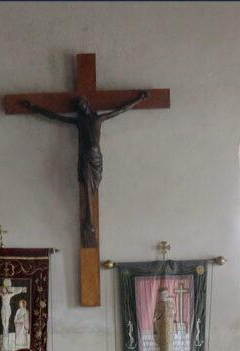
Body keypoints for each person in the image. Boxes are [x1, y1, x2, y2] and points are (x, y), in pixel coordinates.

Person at [21, 91, 149, 242]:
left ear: (87, 105)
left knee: (92, 187)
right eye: (79, 107)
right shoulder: (79, 122)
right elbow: (55, 116)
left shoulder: (99, 118)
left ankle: (89, 222)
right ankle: (89, 223)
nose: (81, 108)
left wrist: (139, 100)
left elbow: (120, 110)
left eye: (83, 105)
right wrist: (34, 107)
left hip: (95, 158)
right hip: (84, 158)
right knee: (86, 186)